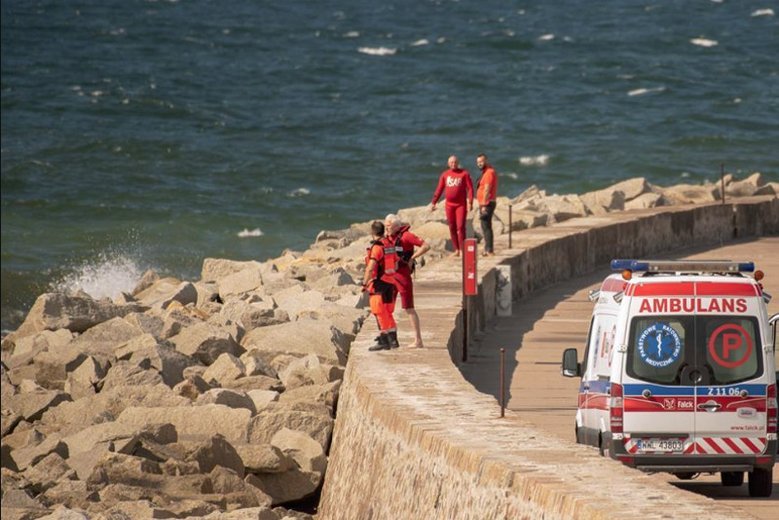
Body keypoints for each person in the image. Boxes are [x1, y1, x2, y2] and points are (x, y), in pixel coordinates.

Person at [384, 213, 430, 349]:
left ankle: (418, 340)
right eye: (385, 225)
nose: (386, 228)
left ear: (397, 226)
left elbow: (426, 246)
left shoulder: (406, 236)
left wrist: (412, 258)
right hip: (390, 276)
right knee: (386, 308)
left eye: (389, 226)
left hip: (403, 277)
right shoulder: (387, 237)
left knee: (409, 308)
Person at [363, 221, 400, 351]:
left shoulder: (377, 247)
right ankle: (393, 340)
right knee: (388, 313)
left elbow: (370, 268)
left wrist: (364, 283)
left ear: (373, 233)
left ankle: (384, 340)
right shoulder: (389, 244)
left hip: (379, 284)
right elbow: (395, 264)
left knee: (379, 312)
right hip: (391, 283)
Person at [430, 155, 474, 257]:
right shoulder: (445, 175)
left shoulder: (464, 174)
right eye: (451, 162)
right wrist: (434, 202)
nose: (453, 164)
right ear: (448, 164)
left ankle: (463, 249)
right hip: (449, 205)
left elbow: (470, 189)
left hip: (460, 205)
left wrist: (470, 202)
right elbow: (439, 189)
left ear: (458, 163)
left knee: (460, 227)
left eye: (455, 162)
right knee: (452, 227)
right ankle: (456, 250)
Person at [475, 153, 498, 256]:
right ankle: (487, 249)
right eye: (478, 162)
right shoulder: (486, 172)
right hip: (486, 203)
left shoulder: (488, 173)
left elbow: (487, 189)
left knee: (486, 226)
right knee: (486, 226)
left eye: (481, 162)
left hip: (487, 203)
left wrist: (483, 204)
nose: (479, 164)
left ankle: (489, 250)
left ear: (486, 161)